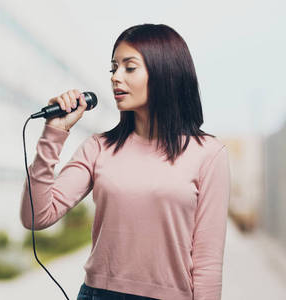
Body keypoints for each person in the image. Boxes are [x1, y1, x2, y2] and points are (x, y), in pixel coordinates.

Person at [20, 23, 230, 300]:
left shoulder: (208, 153)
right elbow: (35, 217)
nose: (116, 77)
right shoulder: (99, 147)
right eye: (113, 68)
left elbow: (207, 264)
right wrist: (54, 133)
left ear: (164, 73)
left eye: (129, 67)